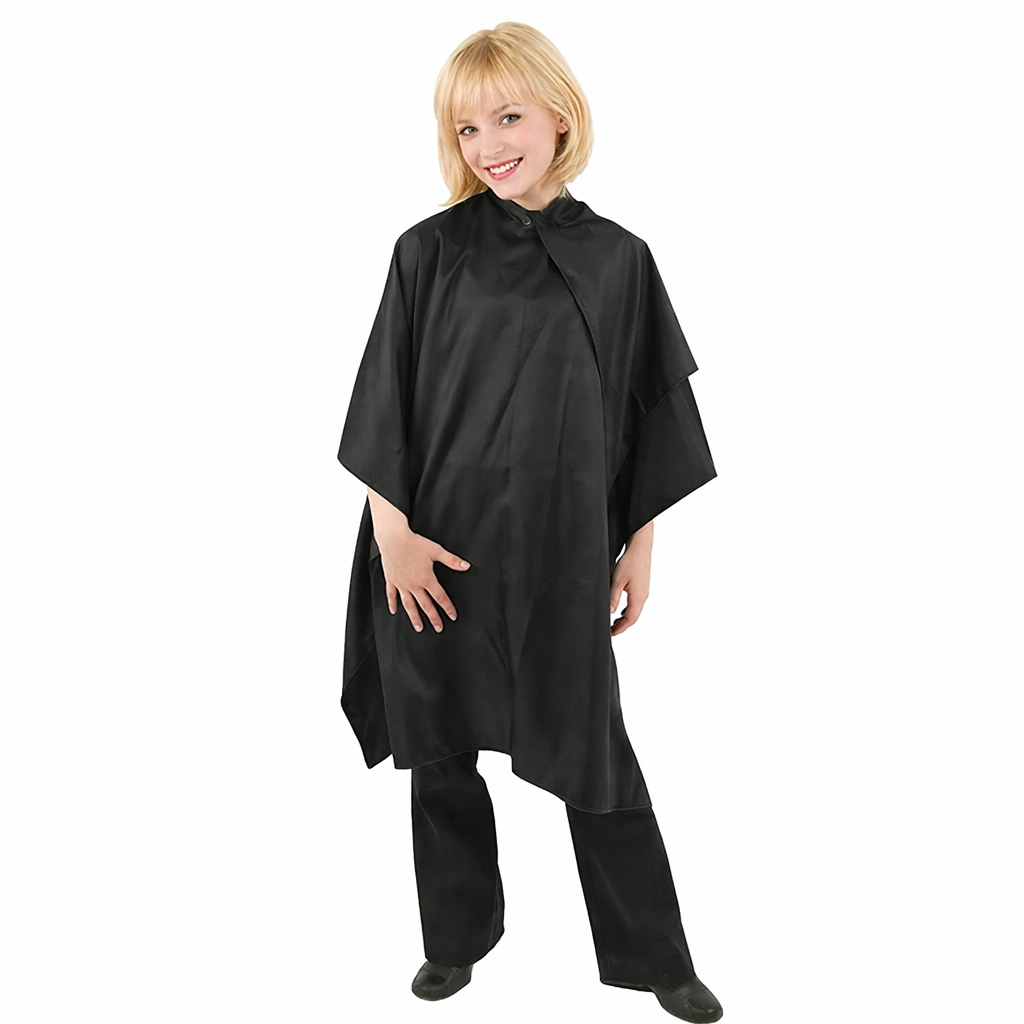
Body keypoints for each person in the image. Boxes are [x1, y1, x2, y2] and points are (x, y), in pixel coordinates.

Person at [337, 21, 724, 1023]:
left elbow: (647, 414)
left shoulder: (619, 260)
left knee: (594, 750)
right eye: (466, 128)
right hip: (433, 548)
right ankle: (455, 938)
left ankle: (655, 957)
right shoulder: (427, 253)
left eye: (507, 116)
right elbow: (384, 402)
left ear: (559, 114)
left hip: (558, 552)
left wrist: (639, 545)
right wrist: (391, 537)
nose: (488, 144)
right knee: (438, 750)